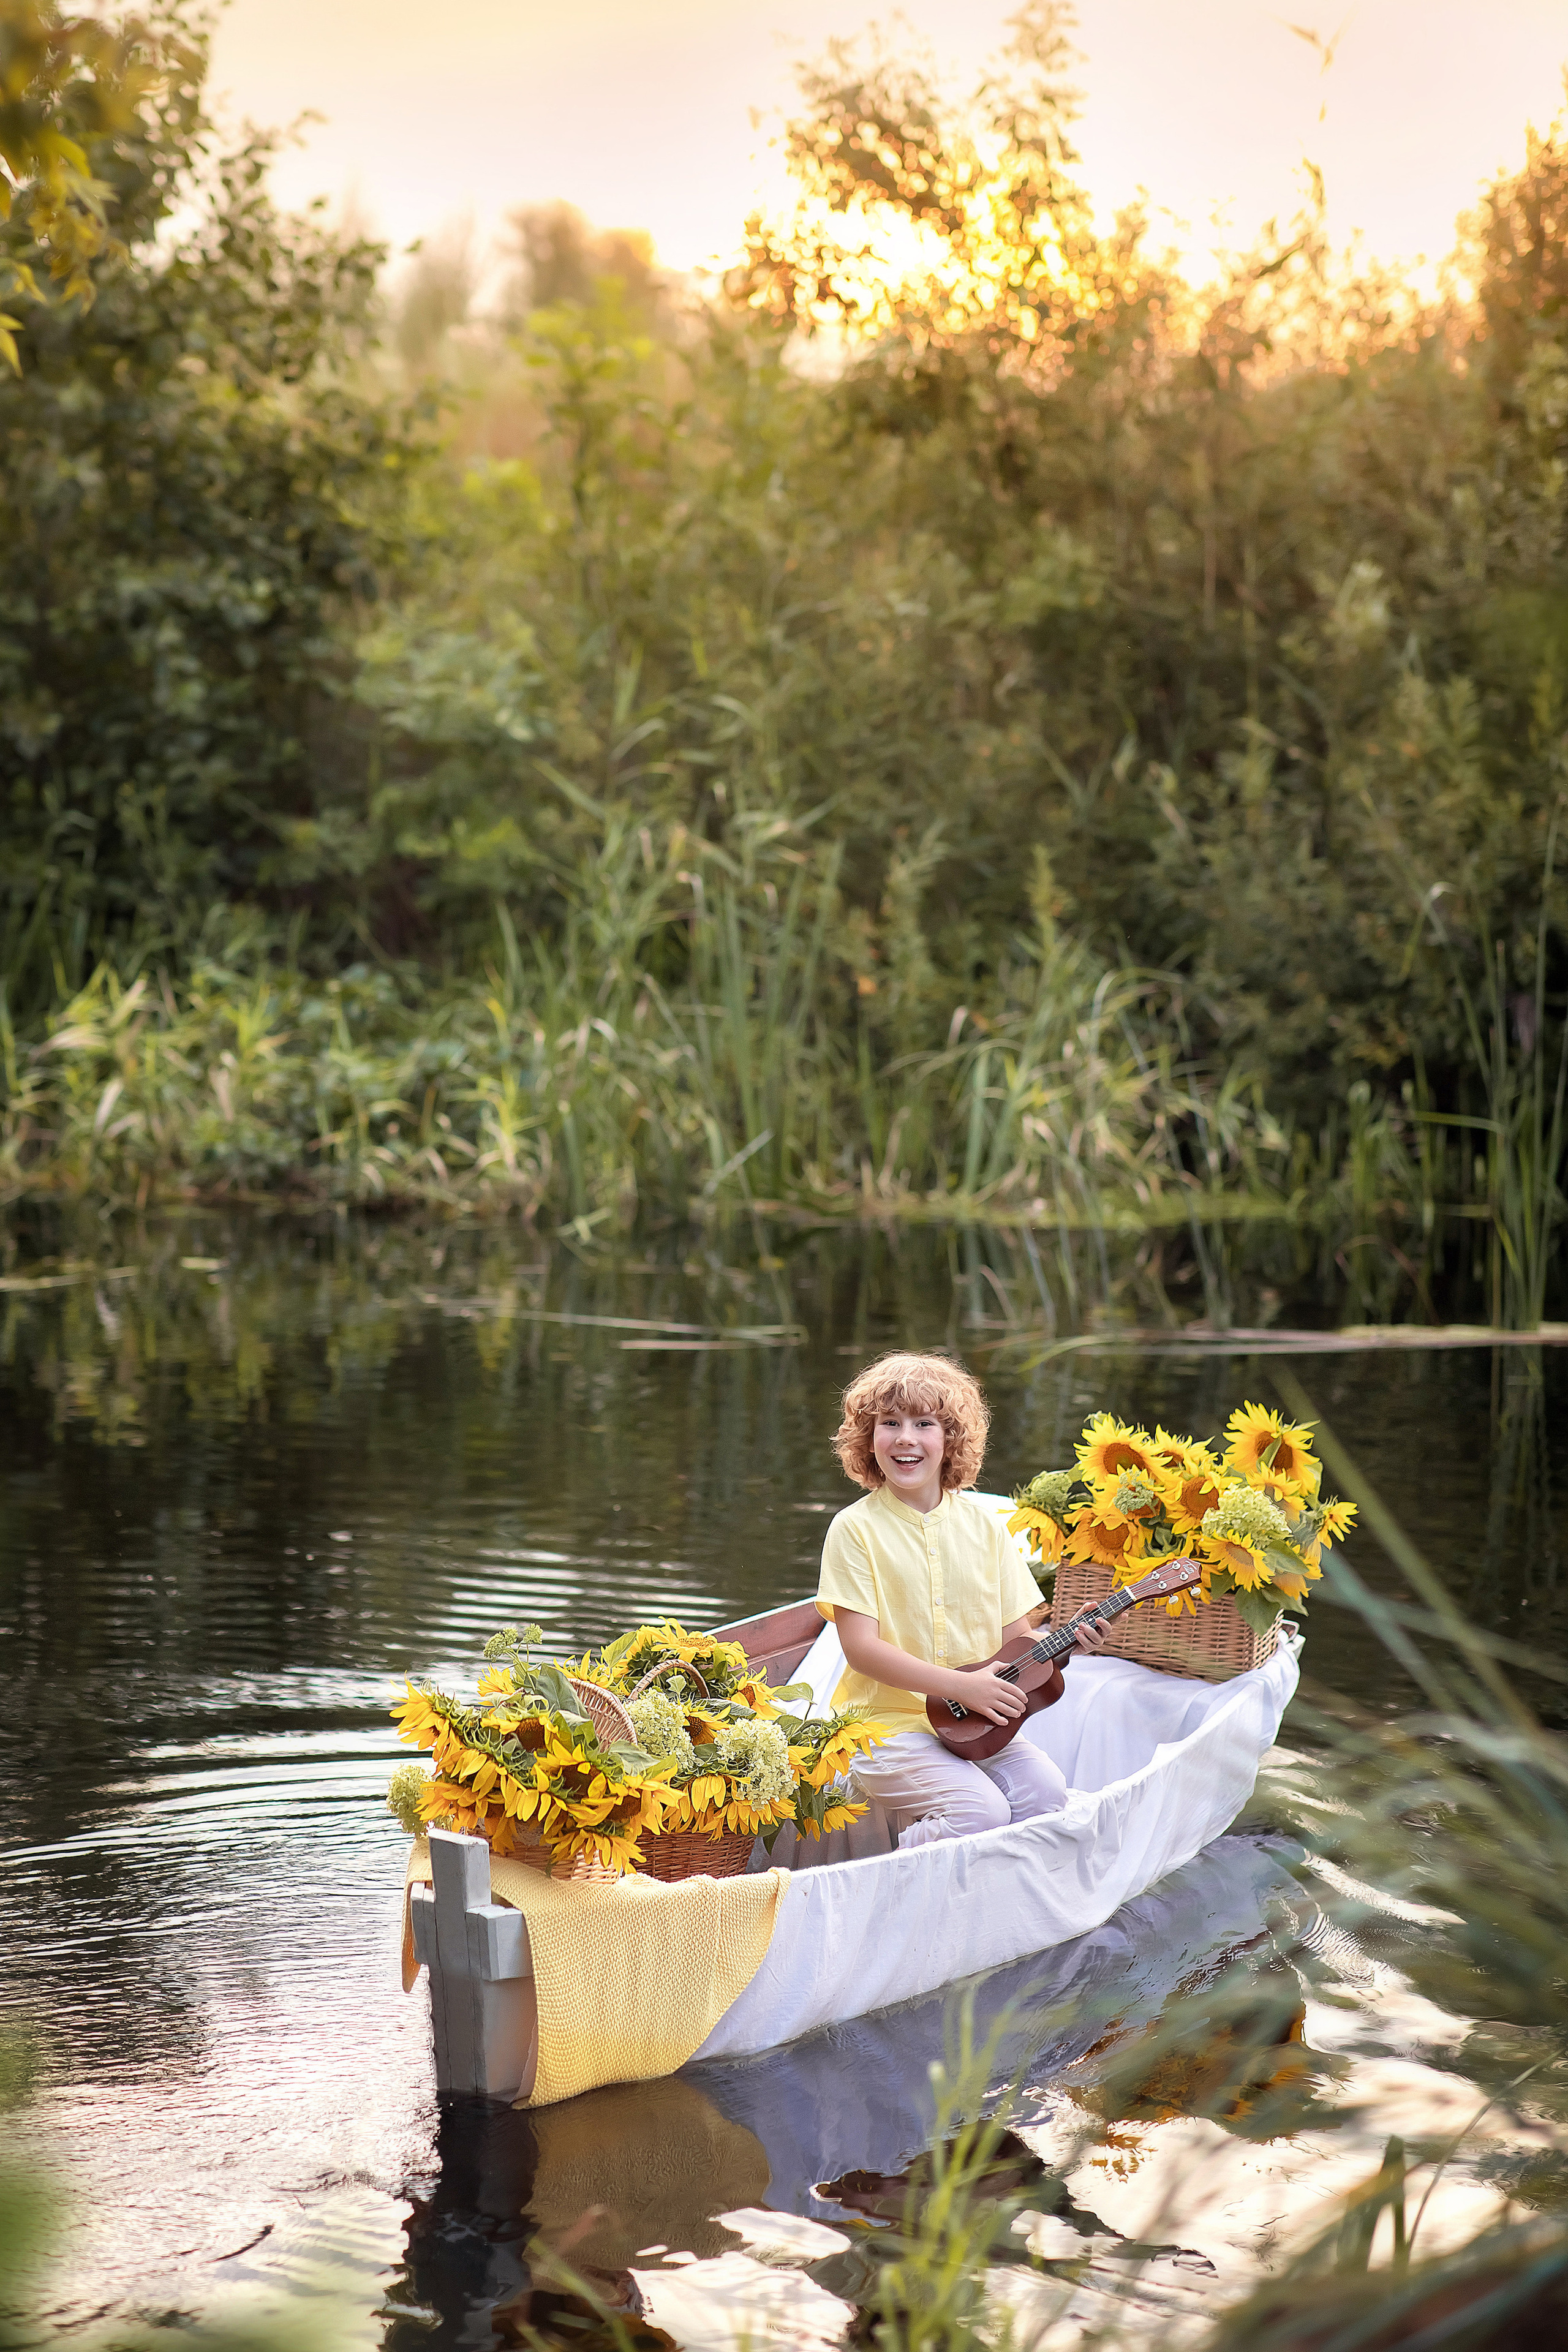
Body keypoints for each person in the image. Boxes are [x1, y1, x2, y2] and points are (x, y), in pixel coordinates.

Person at [816, 1350, 1107, 1850]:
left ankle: (991, 1910)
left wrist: (1066, 1644)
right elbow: (861, 1649)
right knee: (981, 1811)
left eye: (924, 1423)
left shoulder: (985, 1529)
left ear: (951, 1439)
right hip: (885, 1727)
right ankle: (890, 1883)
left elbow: (1017, 1645)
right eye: (890, 1423)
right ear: (868, 1439)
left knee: (1046, 1796)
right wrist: (962, 1685)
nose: (906, 1437)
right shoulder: (855, 1529)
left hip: (972, 1725)